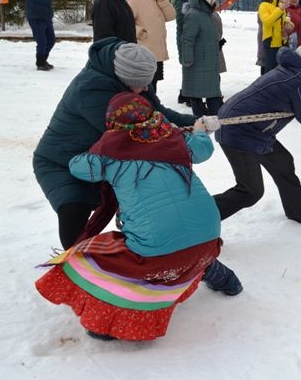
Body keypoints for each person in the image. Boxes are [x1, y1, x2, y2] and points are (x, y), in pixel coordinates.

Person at [35, 93, 230, 342]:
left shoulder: (109, 156)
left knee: (91, 257)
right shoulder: (177, 141)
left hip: (158, 253)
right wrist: (199, 129)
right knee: (186, 246)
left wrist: (106, 142)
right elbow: (203, 148)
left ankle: (105, 322)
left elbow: (77, 166)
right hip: (210, 237)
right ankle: (219, 275)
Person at [32, 40, 197, 249]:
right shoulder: (91, 89)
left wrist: (195, 122)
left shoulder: (130, 81)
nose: (146, 88)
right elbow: (135, 136)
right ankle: (75, 266)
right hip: (60, 162)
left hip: (96, 158)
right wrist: (184, 139)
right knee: (74, 209)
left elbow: (157, 113)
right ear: (126, 79)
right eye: (142, 83)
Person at [214, 44, 301, 224]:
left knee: (283, 164)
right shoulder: (300, 79)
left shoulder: (290, 70)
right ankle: (200, 217)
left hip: (254, 129)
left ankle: (298, 211)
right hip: (238, 132)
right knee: (250, 191)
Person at [127, 0, 176, 91]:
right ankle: (145, 107)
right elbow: (125, 22)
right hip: (143, 51)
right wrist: (139, 32)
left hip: (157, 52)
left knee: (154, 84)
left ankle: (152, 107)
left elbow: (171, 15)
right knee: (144, 86)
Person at [18, 0, 73, 70]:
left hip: (47, 18)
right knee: (42, 41)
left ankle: (43, 60)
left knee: (51, 40)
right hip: (36, 18)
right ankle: (40, 63)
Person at [181, 0, 223, 116]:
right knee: (196, 91)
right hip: (197, 61)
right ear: (203, 1)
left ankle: (214, 112)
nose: (214, 3)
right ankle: (199, 116)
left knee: (213, 90)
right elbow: (187, 39)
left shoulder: (208, 14)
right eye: (212, 0)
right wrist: (187, 59)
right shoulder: (193, 15)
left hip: (209, 59)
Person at [173, 0, 199, 105]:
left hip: (186, 37)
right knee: (188, 66)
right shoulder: (181, 2)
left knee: (189, 66)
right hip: (184, 38)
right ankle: (186, 95)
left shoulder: (185, 1)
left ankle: (185, 93)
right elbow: (182, 22)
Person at [258, 0, 287, 72]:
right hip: (270, 41)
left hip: (280, 41)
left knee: (280, 70)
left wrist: (288, 23)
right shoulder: (264, 5)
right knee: (270, 70)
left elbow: (282, 21)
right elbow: (266, 21)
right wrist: (279, 10)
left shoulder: (280, 5)